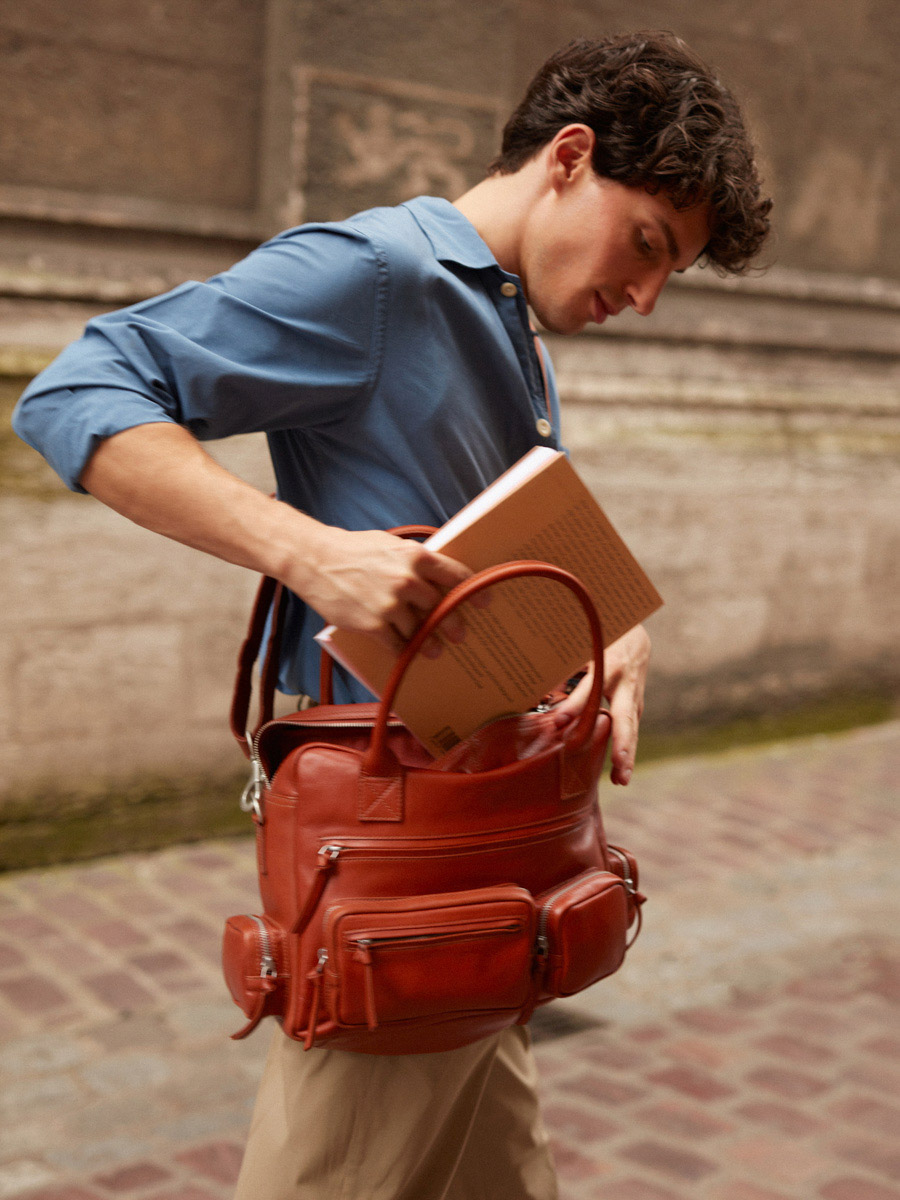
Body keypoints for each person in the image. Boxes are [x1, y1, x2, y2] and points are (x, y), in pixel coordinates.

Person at [13, 30, 771, 1200]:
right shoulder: (378, 276)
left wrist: (610, 623)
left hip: (491, 843)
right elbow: (80, 390)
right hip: (398, 866)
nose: (649, 297)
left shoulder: (502, 311)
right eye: (648, 245)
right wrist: (307, 551)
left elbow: (496, 520)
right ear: (569, 157)